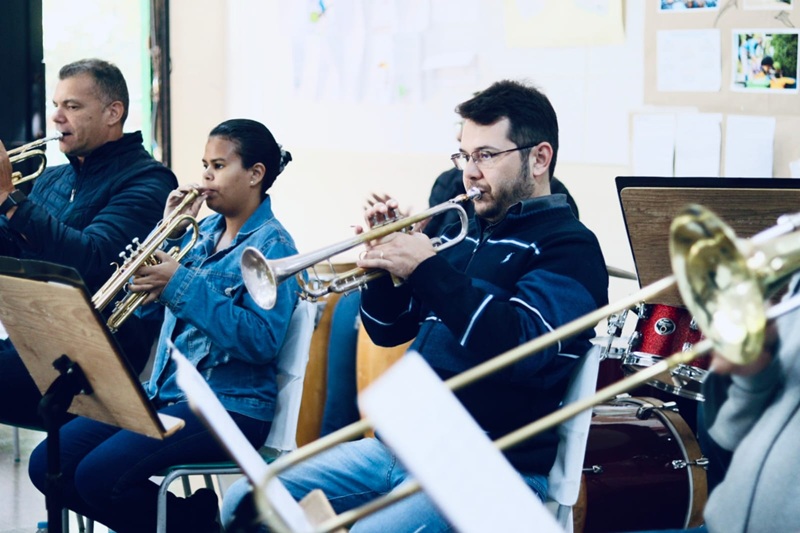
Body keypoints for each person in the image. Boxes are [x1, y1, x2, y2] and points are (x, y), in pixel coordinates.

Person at [222, 79, 609, 532]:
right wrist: (386, 268)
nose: (469, 172)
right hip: (402, 447)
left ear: (539, 158)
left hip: (490, 467)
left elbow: (525, 348)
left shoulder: (570, 247)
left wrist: (427, 269)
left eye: (486, 155)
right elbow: (389, 330)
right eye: (463, 156)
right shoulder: (459, 228)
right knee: (245, 500)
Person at [28, 118, 299, 533]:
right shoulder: (201, 232)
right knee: (49, 462)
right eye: (205, 165)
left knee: (98, 477)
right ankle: (191, 521)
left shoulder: (273, 246)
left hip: (230, 405)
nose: (206, 176)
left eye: (219, 166)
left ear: (255, 174)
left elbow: (260, 341)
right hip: (166, 394)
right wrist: (163, 235)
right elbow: (147, 314)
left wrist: (180, 282)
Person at [0, 58, 178, 429]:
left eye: (72, 106)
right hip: (42, 336)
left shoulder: (149, 182)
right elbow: (16, 254)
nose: (57, 118)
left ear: (114, 113)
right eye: (56, 106)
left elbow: (91, 261)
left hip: (101, 352)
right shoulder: (53, 179)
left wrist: (8, 198)